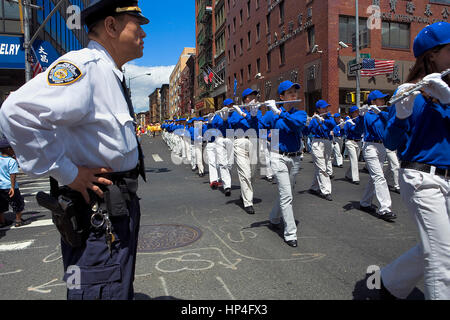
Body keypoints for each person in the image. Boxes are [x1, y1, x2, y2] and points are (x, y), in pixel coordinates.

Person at [0, 0, 149, 300]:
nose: (143, 34)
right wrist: (69, 173)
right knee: (98, 290)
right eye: (137, 24)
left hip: (116, 210)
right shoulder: (85, 67)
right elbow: (15, 112)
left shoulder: (110, 73)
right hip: (95, 215)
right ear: (111, 25)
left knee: (117, 289)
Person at [379, 21, 450, 300]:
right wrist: (400, 117)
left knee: (437, 245)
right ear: (433, 55)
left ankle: (389, 282)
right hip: (423, 179)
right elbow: (391, 143)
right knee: (442, 257)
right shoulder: (409, 91)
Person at [253, 81, 307, 247]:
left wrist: (279, 112)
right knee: (287, 195)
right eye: (289, 93)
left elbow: (297, 126)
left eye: (295, 92)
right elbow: (257, 130)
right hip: (278, 157)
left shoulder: (300, 113)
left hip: (295, 158)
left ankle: (273, 218)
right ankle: (291, 233)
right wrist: (253, 115)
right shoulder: (270, 114)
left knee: (287, 192)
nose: (293, 95)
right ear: (281, 97)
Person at [359, 90, 396, 222]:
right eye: (380, 99)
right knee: (379, 177)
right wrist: (362, 114)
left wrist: (380, 112)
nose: (383, 101)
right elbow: (366, 124)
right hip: (370, 147)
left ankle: (364, 202)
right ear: (373, 101)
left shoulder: (383, 113)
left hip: (382, 146)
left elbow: (392, 120)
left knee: (374, 177)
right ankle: (385, 209)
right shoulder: (367, 114)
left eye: (383, 99)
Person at [228, 88, 259, 214]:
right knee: (244, 172)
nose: (254, 98)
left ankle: (244, 193)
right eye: (251, 96)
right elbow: (232, 123)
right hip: (240, 142)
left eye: (255, 96)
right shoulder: (235, 112)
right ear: (245, 99)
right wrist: (242, 114)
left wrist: (252, 115)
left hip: (253, 141)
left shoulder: (256, 111)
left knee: (252, 173)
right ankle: (248, 202)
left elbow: (259, 125)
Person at [308, 100, 335, 201]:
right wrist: (309, 121)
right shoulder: (314, 119)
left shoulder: (329, 118)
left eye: (326, 107)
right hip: (317, 143)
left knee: (322, 166)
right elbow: (308, 131)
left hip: (327, 142)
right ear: (318, 109)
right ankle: (326, 191)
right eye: (323, 108)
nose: (326, 109)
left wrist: (323, 120)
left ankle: (314, 187)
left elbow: (333, 125)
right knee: (322, 167)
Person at [0, 138, 26, 228]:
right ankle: (18, 220)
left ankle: (2, 221)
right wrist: (12, 187)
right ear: (8, 149)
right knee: (17, 203)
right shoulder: (11, 161)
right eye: (12, 148)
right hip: (10, 187)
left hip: (1, 187)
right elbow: (13, 175)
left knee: (1, 205)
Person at [212, 99, 234, 197]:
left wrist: (227, 120)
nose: (231, 106)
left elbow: (235, 125)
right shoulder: (217, 115)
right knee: (222, 163)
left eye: (232, 105)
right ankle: (227, 186)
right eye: (229, 105)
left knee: (230, 163)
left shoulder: (234, 114)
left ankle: (226, 179)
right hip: (220, 139)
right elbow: (213, 126)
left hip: (230, 138)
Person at [343, 106, 364, 185]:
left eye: (357, 111)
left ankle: (348, 174)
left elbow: (362, 129)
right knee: (354, 160)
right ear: (352, 113)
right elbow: (352, 131)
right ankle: (355, 178)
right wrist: (351, 124)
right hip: (350, 142)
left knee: (355, 160)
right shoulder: (348, 122)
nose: (357, 113)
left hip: (358, 142)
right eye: (355, 112)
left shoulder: (359, 120)